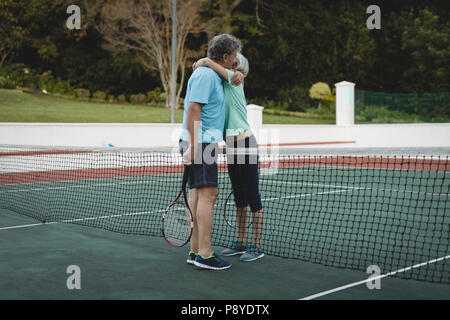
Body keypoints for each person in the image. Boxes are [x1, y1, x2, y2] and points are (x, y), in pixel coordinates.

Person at [179, 34, 243, 270]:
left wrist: (207, 62)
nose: (236, 61)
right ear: (225, 56)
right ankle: (205, 254)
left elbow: (234, 75)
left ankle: (195, 251)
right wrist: (195, 146)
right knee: (209, 195)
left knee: (197, 195)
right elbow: (193, 109)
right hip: (201, 142)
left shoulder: (212, 72)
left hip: (201, 141)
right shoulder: (206, 75)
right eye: (234, 56)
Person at [193, 53, 264, 262]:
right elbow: (199, 67)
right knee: (239, 198)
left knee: (253, 197)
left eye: (233, 60)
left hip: (246, 144)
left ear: (237, 68)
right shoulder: (220, 82)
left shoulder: (234, 80)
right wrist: (200, 63)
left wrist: (205, 61)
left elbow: (208, 64)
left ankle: (256, 245)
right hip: (231, 147)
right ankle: (241, 241)